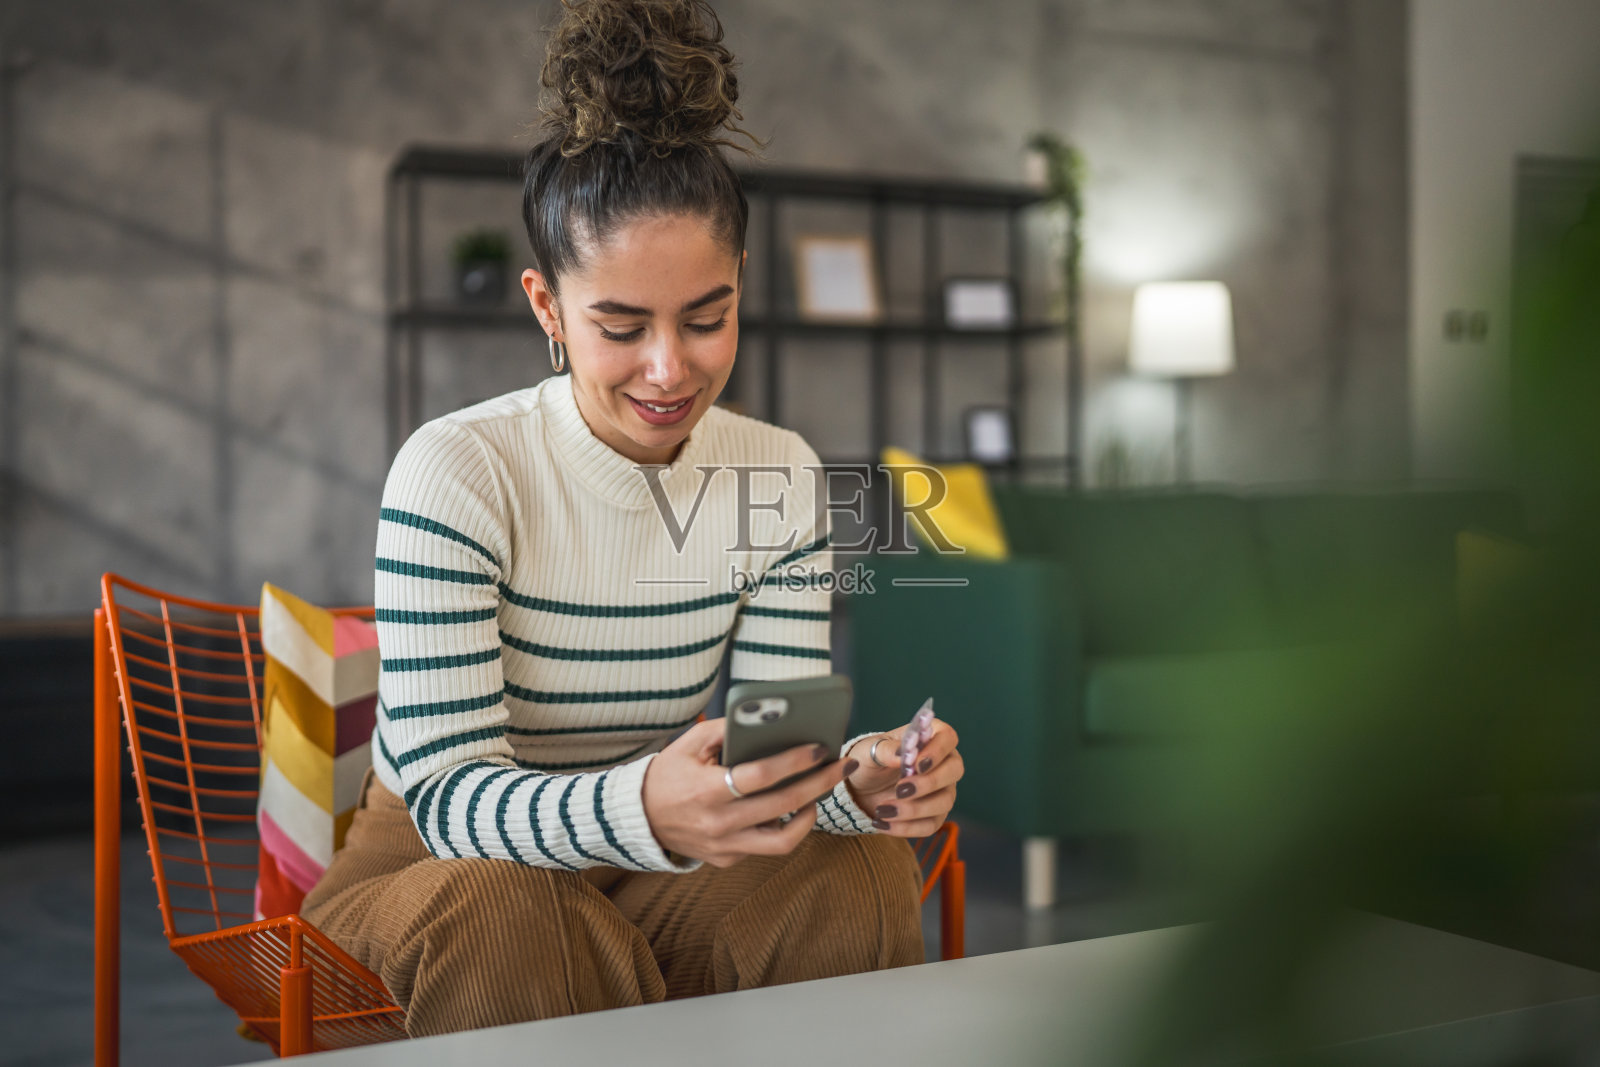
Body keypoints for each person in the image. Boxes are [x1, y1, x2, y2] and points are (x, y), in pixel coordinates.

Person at [300, 0, 965, 1038]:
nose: (671, 368)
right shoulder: (459, 469)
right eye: (621, 326)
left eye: (707, 317)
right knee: (506, 908)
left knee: (855, 869)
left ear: (741, 284)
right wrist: (643, 806)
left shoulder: (778, 475)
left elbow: (768, 771)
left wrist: (860, 782)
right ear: (547, 309)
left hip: (662, 869)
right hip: (439, 877)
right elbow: (445, 799)